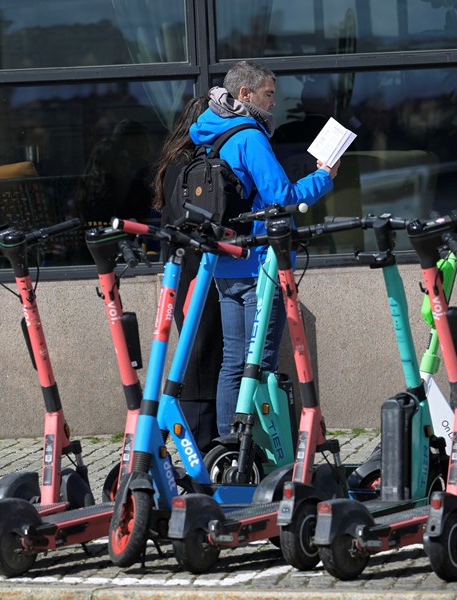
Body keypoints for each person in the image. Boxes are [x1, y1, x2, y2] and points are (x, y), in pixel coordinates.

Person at [188, 61, 338, 436]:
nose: (274, 103)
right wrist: (323, 177)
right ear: (245, 94)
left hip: (224, 263)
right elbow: (280, 198)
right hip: (258, 266)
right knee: (260, 363)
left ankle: (227, 444)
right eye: (269, 94)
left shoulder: (208, 131)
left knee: (233, 363)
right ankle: (257, 448)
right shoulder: (250, 136)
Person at [151, 96, 219, 452]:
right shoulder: (191, 164)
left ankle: (198, 435)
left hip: (181, 271)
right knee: (201, 352)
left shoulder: (175, 161)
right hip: (195, 269)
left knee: (197, 349)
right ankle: (201, 439)